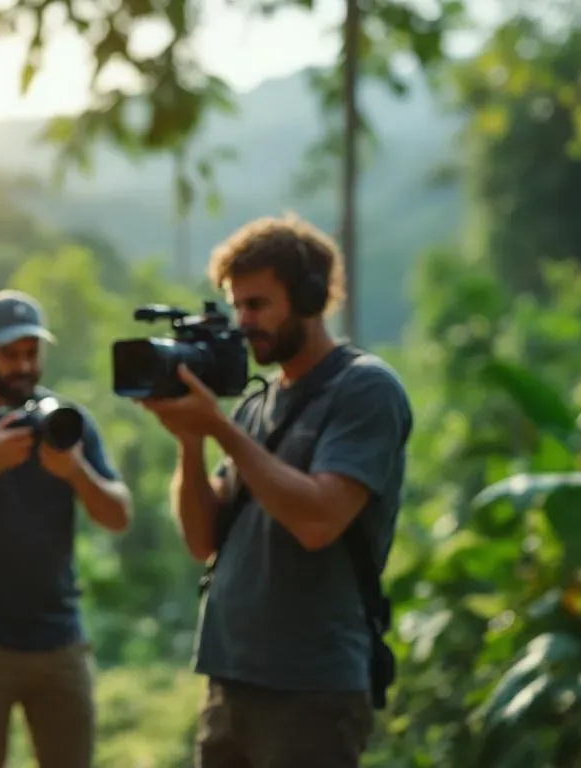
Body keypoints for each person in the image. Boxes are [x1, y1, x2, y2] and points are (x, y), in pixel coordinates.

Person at [138, 214, 413, 768]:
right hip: (229, 678)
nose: (243, 322)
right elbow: (201, 538)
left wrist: (220, 429)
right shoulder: (255, 405)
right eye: (237, 305)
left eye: (257, 305)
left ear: (310, 298)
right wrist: (191, 442)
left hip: (310, 690)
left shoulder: (364, 388)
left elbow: (320, 520)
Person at [0, 289, 134, 768]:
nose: (23, 365)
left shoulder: (67, 423)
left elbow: (118, 516)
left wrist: (75, 471)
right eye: (10, 354)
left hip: (60, 641)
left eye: (32, 353)